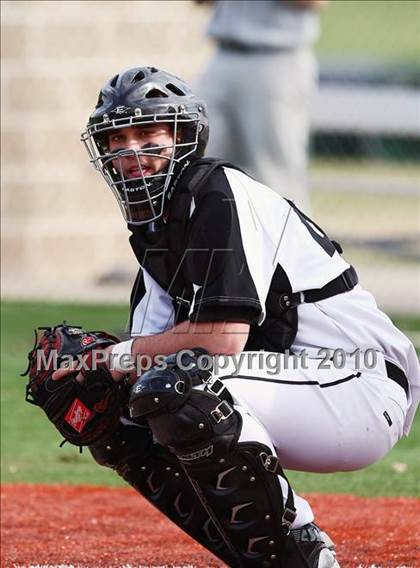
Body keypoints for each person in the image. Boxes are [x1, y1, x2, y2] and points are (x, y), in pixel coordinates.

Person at [74, 66, 419, 567]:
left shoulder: (219, 194)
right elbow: (143, 358)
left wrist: (113, 356)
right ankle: (262, 557)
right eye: (117, 139)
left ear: (184, 136)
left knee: (180, 388)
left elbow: (220, 341)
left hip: (358, 385)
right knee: (106, 395)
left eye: (148, 132)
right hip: (292, 391)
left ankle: (303, 550)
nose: (131, 151)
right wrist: (94, 372)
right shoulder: (156, 227)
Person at [195, 0, 328, 211]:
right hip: (222, 56)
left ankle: (291, 242)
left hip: (276, 58)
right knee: (198, 165)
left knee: (276, 180)